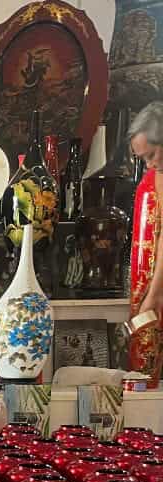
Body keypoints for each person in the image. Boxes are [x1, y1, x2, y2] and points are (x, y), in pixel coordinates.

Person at [129, 102, 163, 384]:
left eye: (151, 155)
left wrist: (154, 294)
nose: (149, 164)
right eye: (143, 159)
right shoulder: (157, 173)